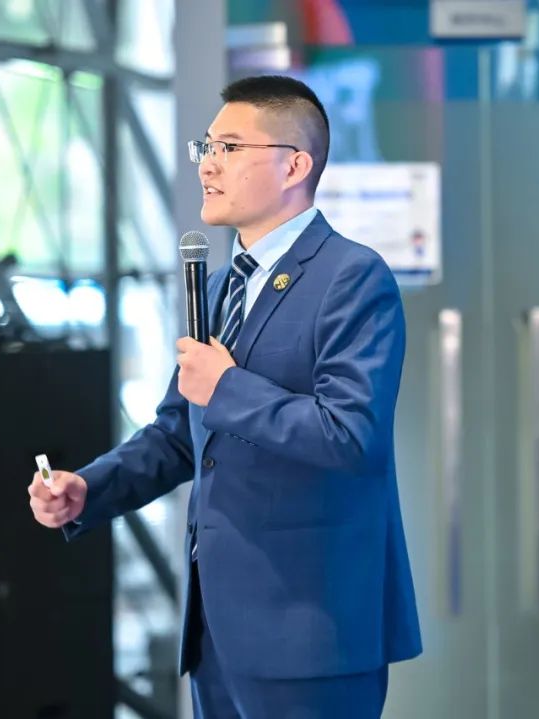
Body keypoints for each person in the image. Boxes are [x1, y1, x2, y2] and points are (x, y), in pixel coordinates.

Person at [27, 74, 421, 718]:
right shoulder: (216, 286)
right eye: (206, 147)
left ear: (294, 165)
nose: (207, 164)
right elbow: (180, 434)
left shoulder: (352, 277)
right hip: (216, 633)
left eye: (229, 148)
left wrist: (228, 386)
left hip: (309, 629)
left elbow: (352, 436)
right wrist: (88, 490)